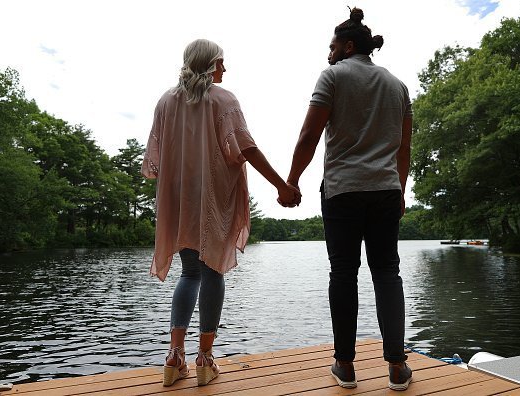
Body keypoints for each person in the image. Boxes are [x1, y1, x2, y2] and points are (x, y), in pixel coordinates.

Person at [141, 39, 300, 387]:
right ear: (209, 64)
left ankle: (174, 356)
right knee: (212, 271)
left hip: (179, 196)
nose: (225, 69)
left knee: (189, 273)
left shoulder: (166, 100)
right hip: (213, 194)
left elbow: (154, 156)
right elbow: (246, 147)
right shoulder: (223, 100)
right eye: (221, 63)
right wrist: (280, 185)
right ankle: (205, 359)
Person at [284, 8, 413, 391]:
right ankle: (396, 368)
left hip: (342, 190)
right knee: (387, 272)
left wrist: (291, 180)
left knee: (343, 273)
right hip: (386, 191)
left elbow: (309, 134)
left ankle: (345, 366)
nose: (328, 51)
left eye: (332, 45)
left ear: (348, 45)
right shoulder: (397, 85)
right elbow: (404, 148)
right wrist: (400, 189)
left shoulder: (333, 76)